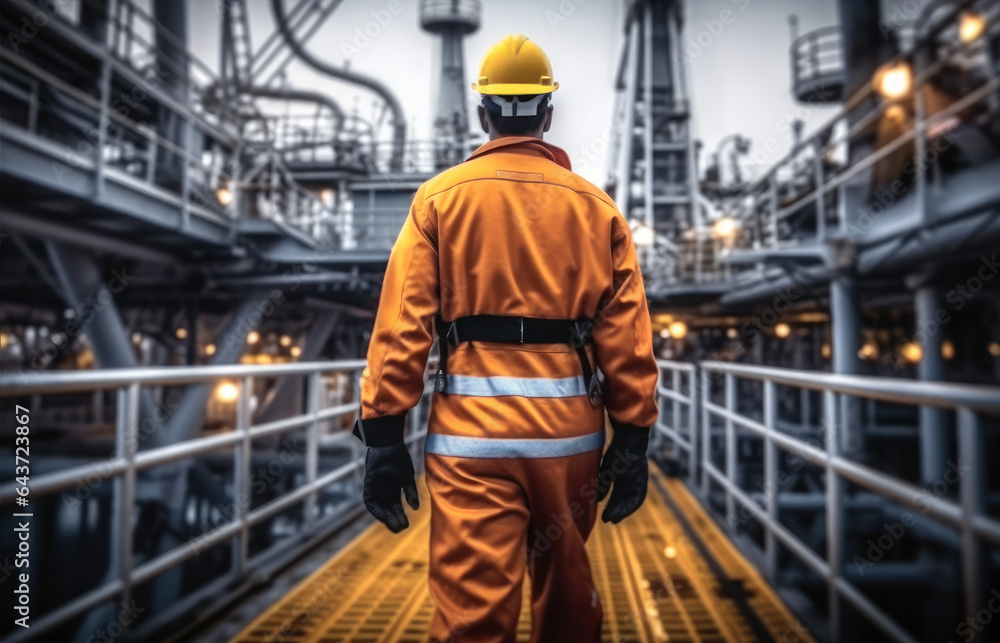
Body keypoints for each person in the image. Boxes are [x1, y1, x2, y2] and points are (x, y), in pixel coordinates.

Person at [351, 34, 659, 643]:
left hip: (471, 441)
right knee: (569, 598)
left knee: (472, 614)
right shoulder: (597, 210)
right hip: (568, 442)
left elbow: (401, 326)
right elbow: (626, 337)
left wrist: (385, 436)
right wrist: (634, 437)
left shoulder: (437, 202)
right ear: (547, 114)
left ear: (482, 113)